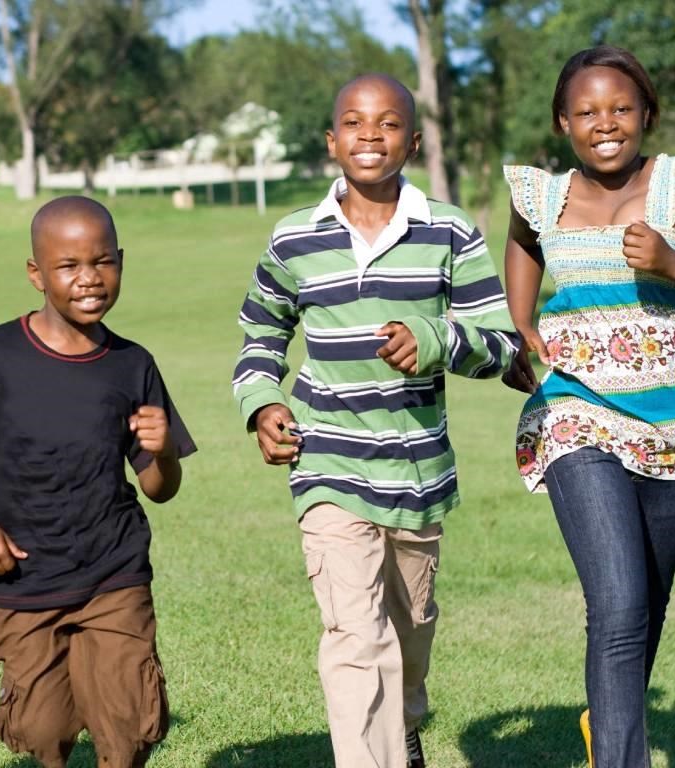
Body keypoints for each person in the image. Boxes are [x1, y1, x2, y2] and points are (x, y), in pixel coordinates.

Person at [232, 74, 518, 768]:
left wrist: (435, 337)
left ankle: (406, 720)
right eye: (355, 124)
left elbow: (501, 344)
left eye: (388, 123)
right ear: (332, 142)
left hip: (416, 474)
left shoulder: (449, 231)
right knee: (356, 641)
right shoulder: (295, 239)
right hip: (327, 463)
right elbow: (259, 336)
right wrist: (264, 404)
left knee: (409, 630)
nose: (370, 135)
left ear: (413, 141)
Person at [0, 195, 196, 768]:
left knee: (128, 730)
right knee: (42, 729)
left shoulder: (133, 365)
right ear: (36, 274)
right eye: (69, 265)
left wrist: (164, 451)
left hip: (114, 570)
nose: (89, 279)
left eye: (103, 262)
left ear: (121, 261)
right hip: (27, 574)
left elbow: (159, 487)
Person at [502, 45, 675, 768]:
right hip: (576, 415)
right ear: (562, 122)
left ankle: (606, 724)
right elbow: (523, 242)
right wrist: (522, 324)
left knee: (646, 608)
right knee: (616, 607)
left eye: (620, 108)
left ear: (646, 113)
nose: (604, 123)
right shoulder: (543, 196)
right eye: (586, 111)